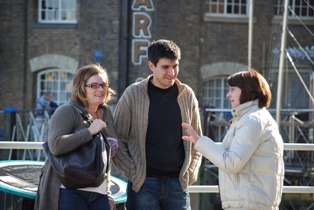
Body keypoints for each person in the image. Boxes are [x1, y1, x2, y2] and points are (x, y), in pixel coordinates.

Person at [112, 39, 203, 210]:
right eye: (165, 67)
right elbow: (117, 139)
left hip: (178, 184)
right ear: (151, 66)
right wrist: (134, 172)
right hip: (144, 184)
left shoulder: (187, 94)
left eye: (175, 66)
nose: (172, 72)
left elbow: (197, 139)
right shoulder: (133, 94)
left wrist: (190, 173)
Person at [182, 70, 284, 209]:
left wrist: (199, 142)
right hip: (251, 201)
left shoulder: (251, 120)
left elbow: (231, 163)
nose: (228, 94)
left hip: (247, 203)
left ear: (247, 90)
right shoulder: (255, 117)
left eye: (233, 89)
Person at [34, 64, 118, 210]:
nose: (100, 89)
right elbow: (56, 145)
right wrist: (89, 132)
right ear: (81, 88)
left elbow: (103, 158)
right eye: (94, 85)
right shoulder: (67, 111)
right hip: (68, 191)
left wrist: (108, 191)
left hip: (99, 193)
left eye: (104, 85)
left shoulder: (106, 113)